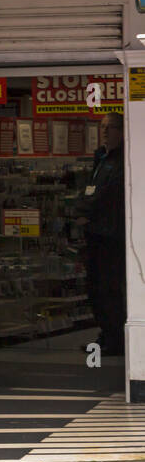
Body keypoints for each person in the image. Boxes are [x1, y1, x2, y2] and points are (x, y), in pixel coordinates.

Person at [82, 112, 126, 356]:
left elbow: (107, 193)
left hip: (112, 233)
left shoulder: (122, 160)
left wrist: (87, 209)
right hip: (95, 231)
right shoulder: (100, 157)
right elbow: (91, 188)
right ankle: (106, 332)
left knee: (109, 287)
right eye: (103, 127)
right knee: (95, 286)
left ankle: (115, 337)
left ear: (122, 130)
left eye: (111, 127)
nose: (105, 132)